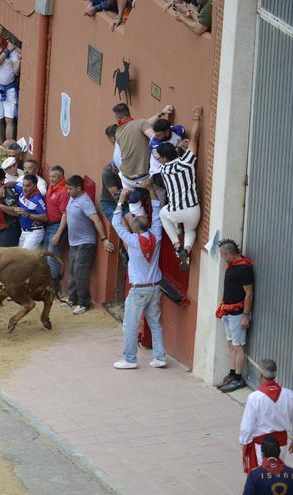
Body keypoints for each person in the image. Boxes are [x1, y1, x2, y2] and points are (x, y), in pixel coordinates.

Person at [111, 178, 167, 369]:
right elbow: (157, 213)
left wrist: (121, 200)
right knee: (155, 323)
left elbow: (116, 222)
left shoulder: (133, 241)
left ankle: (129, 359)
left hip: (139, 290)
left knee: (130, 325)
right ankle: (160, 357)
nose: (135, 217)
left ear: (134, 228)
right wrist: (151, 190)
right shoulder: (156, 236)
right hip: (155, 287)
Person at [51, 174, 114, 314]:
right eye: (67, 188)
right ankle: (73, 299)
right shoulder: (72, 198)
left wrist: (104, 239)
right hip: (74, 242)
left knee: (80, 273)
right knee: (73, 270)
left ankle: (84, 303)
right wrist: (58, 234)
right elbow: (66, 215)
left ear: (79, 188)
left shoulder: (85, 201)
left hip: (85, 243)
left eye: (70, 189)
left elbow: (96, 220)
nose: (67, 191)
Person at [156, 106, 203, 270]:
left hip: (175, 211)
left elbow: (170, 157)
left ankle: (178, 247)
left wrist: (176, 148)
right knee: (191, 229)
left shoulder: (163, 169)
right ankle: (186, 250)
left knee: (162, 213)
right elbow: (195, 139)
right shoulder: (187, 162)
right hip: (194, 209)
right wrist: (196, 118)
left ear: (163, 158)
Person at [239, 358, 293, 474]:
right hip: (282, 445)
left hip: (261, 446)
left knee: (262, 475)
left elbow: (247, 427)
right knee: (278, 472)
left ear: (260, 375)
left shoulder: (255, 398)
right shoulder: (289, 394)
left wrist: (244, 443)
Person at [216, 239, 255, 392]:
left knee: (239, 347)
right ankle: (232, 374)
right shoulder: (232, 266)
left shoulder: (244, 269)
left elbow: (249, 294)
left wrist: (245, 315)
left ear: (228, 254)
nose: (222, 258)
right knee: (231, 345)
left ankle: (238, 379)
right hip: (228, 312)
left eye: (223, 255)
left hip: (238, 314)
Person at [11, 174, 47, 249]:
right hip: (24, 232)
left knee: (24, 258)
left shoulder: (38, 199)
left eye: (28, 186)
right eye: (23, 185)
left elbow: (45, 217)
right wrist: (3, 187)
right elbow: (13, 184)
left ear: (34, 186)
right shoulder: (22, 189)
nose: (24, 188)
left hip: (34, 233)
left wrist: (28, 215)